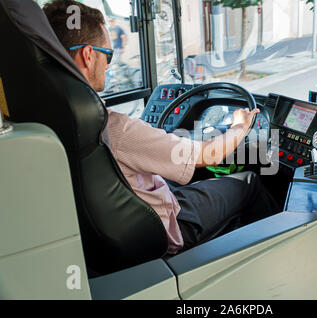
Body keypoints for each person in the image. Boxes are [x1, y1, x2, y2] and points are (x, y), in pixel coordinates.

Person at [43, 0, 281, 255]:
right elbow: (206, 155)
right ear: (88, 56)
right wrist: (239, 128)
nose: (109, 64)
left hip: (108, 231)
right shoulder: (114, 127)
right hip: (163, 230)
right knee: (250, 181)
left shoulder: (47, 119)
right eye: (107, 54)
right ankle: (263, 255)